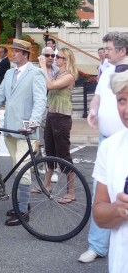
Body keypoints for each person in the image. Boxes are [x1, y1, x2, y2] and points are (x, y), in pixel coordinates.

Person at [0, 39, 46, 226]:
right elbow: (0, 97)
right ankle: (21, 204)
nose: (13, 54)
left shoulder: (36, 73)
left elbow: (40, 101)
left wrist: (33, 123)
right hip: (9, 129)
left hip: (26, 131)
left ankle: (23, 211)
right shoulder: (9, 73)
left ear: (25, 54)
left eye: (17, 51)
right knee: (17, 168)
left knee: (23, 171)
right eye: (12, 51)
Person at [78, 31, 127, 264]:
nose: (105, 52)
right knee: (102, 195)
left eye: (109, 48)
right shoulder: (107, 70)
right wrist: (93, 111)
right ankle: (97, 246)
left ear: (122, 50)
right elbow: (97, 97)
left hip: (121, 139)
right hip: (106, 141)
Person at [92, 69, 128, 273]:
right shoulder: (110, 147)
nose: (126, 110)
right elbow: (99, 214)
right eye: (122, 100)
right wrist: (119, 209)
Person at [39, 48, 78, 202]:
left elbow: (50, 86)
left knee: (63, 154)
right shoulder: (57, 73)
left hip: (62, 118)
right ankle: (46, 184)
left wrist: (43, 67)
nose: (55, 58)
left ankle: (71, 192)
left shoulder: (69, 76)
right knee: (49, 150)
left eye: (58, 56)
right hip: (52, 114)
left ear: (66, 60)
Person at [37, 46, 58, 158]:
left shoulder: (57, 70)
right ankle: (42, 149)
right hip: (42, 103)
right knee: (42, 127)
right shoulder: (37, 70)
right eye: (47, 55)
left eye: (53, 55)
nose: (50, 57)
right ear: (42, 57)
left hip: (54, 104)